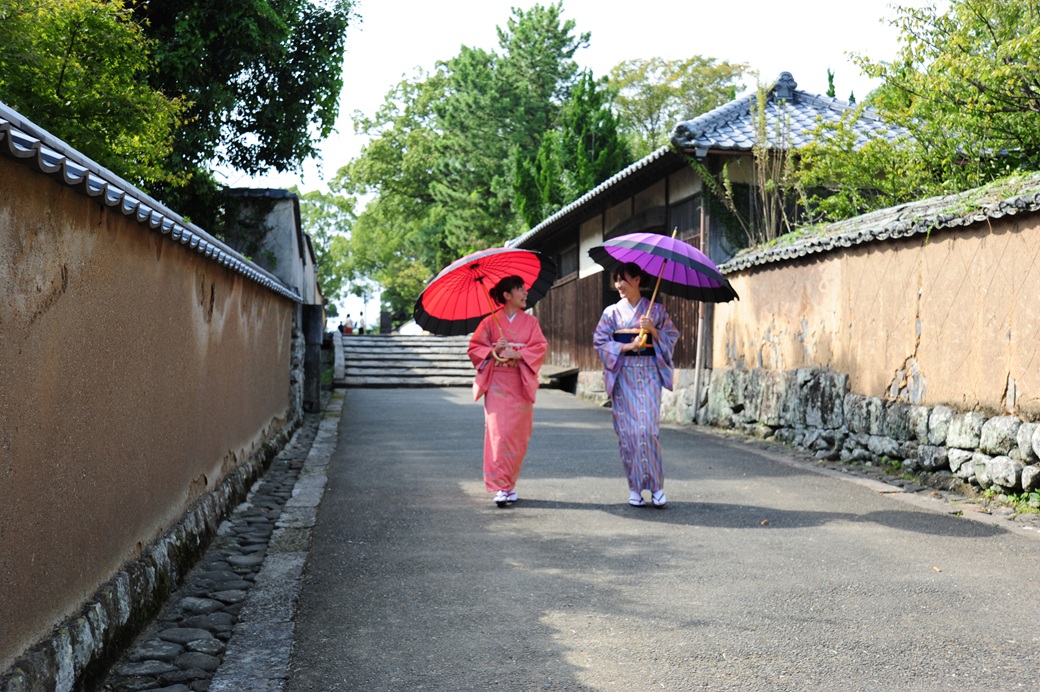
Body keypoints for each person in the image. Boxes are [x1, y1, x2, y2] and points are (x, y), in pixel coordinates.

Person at [593, 261, 679, 508]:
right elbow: (600, 343)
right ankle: (635, 487)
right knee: (628, 434)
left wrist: (653, 330)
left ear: (638, 280)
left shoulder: (657, 311)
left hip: (649, 372)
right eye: (616, 279)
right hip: (624, 375)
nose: (618, 284)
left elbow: (671, 337)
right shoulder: (611, 313)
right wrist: (626, 346)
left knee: (648, 430)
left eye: (624, 279)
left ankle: (657, 486)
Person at [468, 275, 547, 507]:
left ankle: (509, 484)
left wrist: (520, 354)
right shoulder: (489, 322)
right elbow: (474, 348)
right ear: (507, 295)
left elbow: (540, 346)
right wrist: (495, 349)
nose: (525, 294)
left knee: (518, 437)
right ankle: (500, 486)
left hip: (520, 382)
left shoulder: (531, 323)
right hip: (497, 384)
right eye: (520, 290)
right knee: (497, 434)